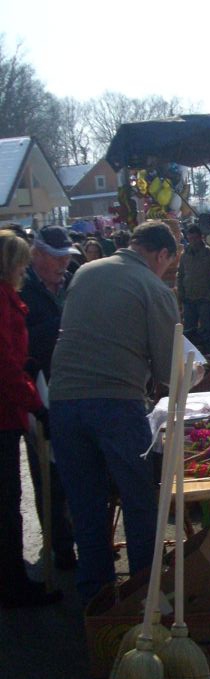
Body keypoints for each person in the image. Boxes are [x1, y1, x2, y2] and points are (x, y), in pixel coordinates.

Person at [49, 220, 181, 605]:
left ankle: (97, 600)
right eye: (168, 264)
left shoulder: (86, 272)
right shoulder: (154, 288)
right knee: (139, 501)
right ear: (161, 255)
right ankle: (144, 594)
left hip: (64, 402)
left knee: (86, 504)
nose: (166, 271)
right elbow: (167, 369)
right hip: (115, 403)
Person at [0, 230, 63, 608]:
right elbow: (4, 367)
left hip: (9, 408)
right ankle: (12, 585)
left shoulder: (10, 299)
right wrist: (36, 405)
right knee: (7, 502)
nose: (25, 269)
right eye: (21, 262)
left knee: (7, 500)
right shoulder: (4, 301)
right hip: (4, 414)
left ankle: (11, 579)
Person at [21, 226, 79, 570]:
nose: (64, 264)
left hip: (71, 383)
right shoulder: (23, 287)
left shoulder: (69, 281)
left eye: (67, 257)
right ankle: (60, 545)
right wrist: (57, 329)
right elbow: (20, 340)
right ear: (37, 255)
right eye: (57, 258)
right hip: (37, 389)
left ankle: (80, 536)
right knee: (47, 474)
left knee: (74, 467)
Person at [177, 222, 210, 353]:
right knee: (188, 333)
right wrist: (181, 294)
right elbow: (180, 275)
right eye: (189, 239)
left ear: (201, 237)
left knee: (207, 333)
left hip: (205, 301)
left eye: (194, 238)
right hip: (189, 300)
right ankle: (188, 361)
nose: (192, 241)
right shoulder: (185, 254)